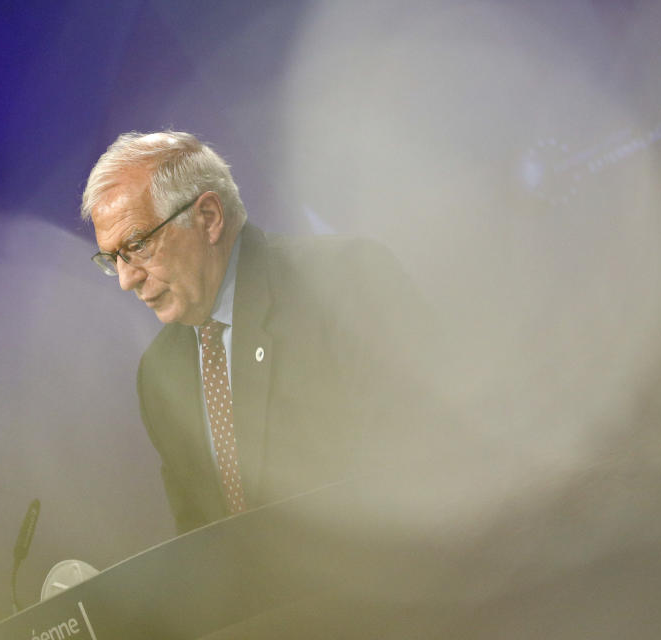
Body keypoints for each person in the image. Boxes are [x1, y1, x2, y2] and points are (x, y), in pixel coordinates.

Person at [82, 131, 426, 534]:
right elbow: (198, 540)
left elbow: (420, 468)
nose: (126, 280)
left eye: (138, 245)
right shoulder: (159, 373)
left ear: (208, 218)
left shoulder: (344, 284)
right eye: (112, 259)